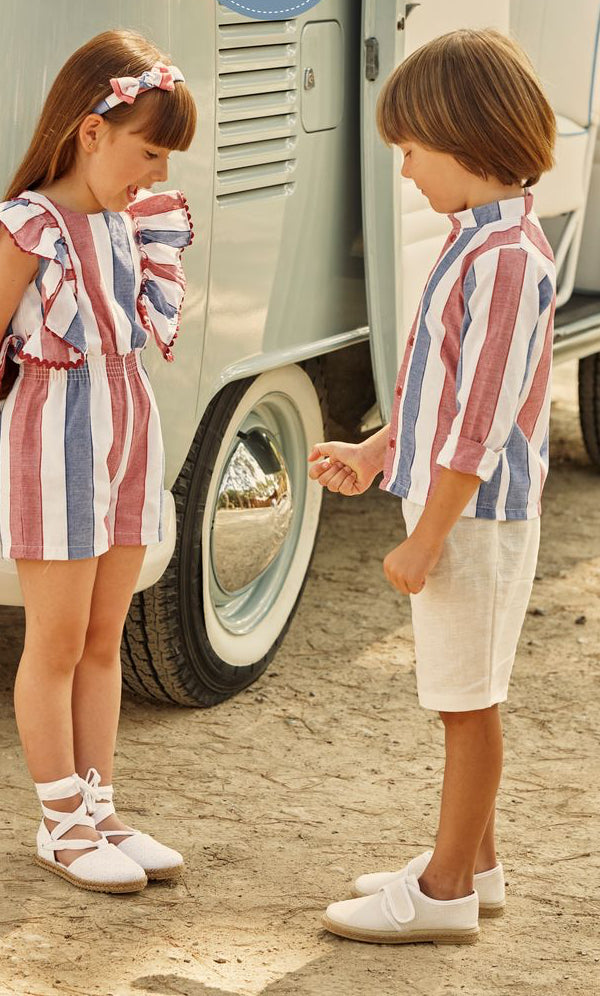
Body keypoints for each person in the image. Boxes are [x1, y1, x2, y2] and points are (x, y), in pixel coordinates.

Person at [309, 29, 556, 944]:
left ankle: (446, 890)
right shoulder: (479, 241)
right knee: (464, 691)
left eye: (412, 151)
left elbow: (481, 423)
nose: (405, 171)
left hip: (473, 518)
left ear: (466, 137)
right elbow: (441, 390)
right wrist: (381, 452)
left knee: (467, 706)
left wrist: (426, 537)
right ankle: (476, 869)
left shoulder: (506, 261)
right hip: (460, 510)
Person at [0, 30, 196, 894]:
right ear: (92, 131)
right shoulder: (29, 227)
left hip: (127, 428)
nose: (156, 174)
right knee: (53, 642)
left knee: (101, 638)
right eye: (148, 152)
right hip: (53, 435)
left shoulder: (127, 222)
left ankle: (100, 809)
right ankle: (60, 822)